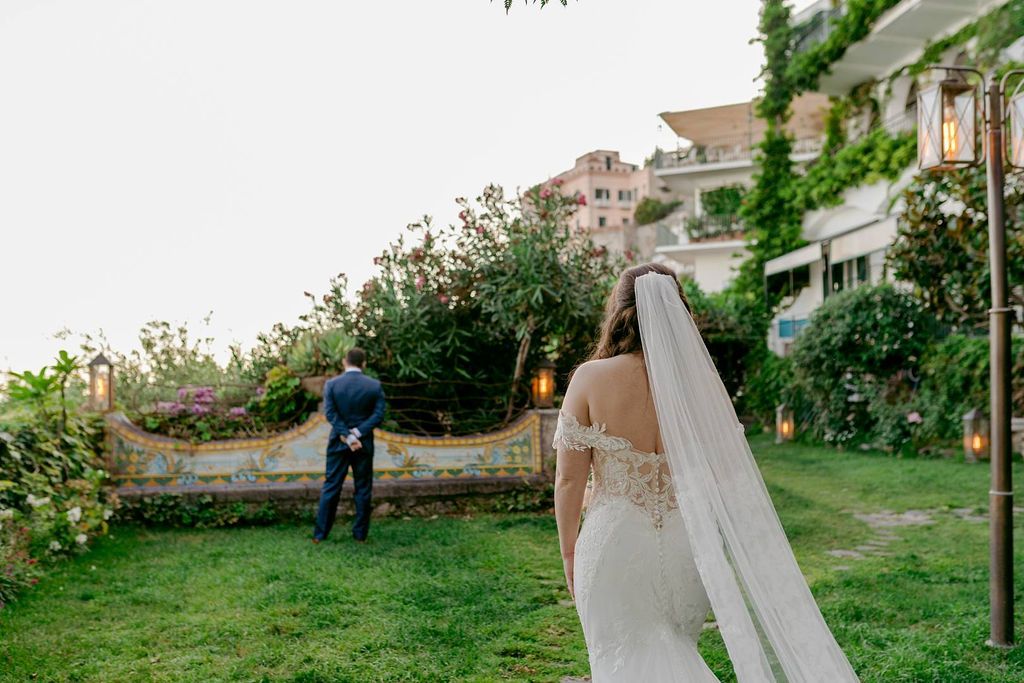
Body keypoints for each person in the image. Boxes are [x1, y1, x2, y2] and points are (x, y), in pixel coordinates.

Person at [553, 263, 858, 682]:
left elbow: (569, 479)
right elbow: (729, 476)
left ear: (619, 310)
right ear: (678, 312)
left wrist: (568, 551)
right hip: (687, 544)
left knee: (621, 660)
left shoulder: (590, 378)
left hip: (613, 545)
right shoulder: (698, 388)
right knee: (677, 648)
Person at [313, 347, 386, 544]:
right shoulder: (374, 385)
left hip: (339, 442)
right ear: (364, 363)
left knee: (331, 486)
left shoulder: (332, 385)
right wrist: (358, 433)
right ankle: (360, 536)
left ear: (345, 362)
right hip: (363, 443)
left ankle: (320, 535)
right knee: (363, 488)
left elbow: (330, 414)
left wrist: (346, 434)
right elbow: (378, 415)